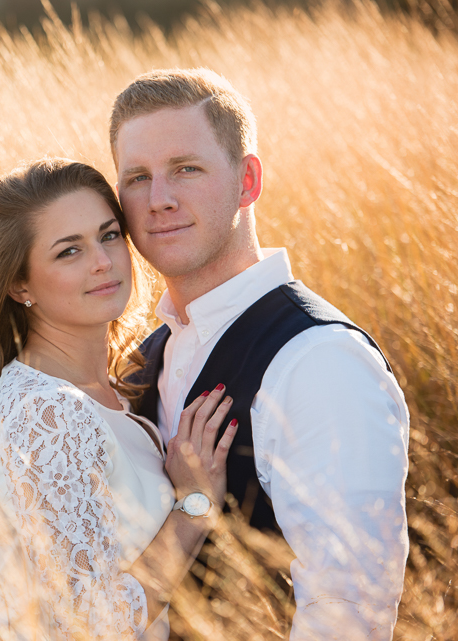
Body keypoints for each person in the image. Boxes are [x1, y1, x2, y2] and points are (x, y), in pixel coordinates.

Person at [110, 68, 410, 639]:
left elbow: (349, 610)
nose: (159, 200)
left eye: (186, 169)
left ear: (247, 180)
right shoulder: (143, 359)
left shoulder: (319, 361)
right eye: (137, 178)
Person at [0, 158, 239, 641]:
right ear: (19, 284)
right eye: (69, 252)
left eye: (109, 236)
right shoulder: (48, 412)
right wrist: (192, 504)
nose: (103, 261)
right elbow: (90, 627)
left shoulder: (99, 389)